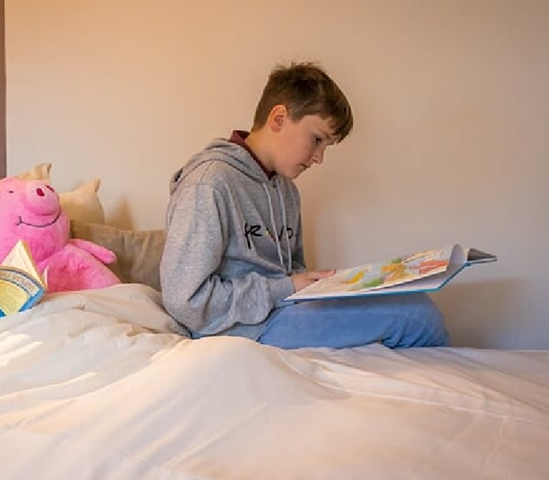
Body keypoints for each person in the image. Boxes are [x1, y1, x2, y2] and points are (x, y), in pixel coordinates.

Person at [159, 62, 448, 349]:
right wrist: (285, 288)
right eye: (317, 139)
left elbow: (293, 271)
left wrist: (327, 288)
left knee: (413, 301)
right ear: (279, 118)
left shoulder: (287, 191)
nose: (319, 158)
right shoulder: (208, 185)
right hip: (240, 329)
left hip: (282, 311)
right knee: (419, 316)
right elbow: (185, 300)